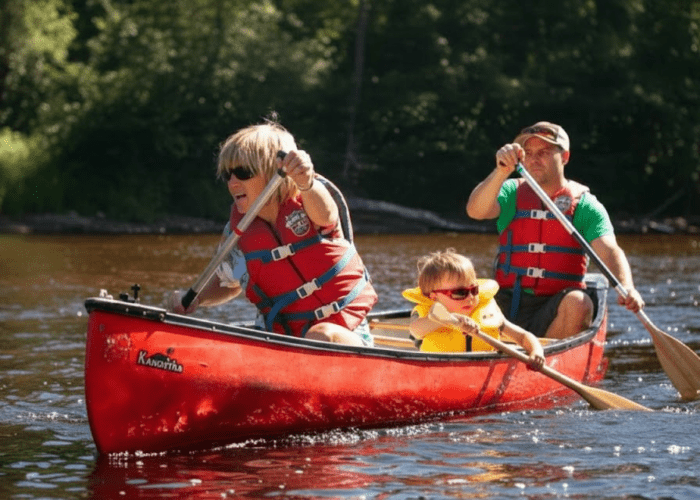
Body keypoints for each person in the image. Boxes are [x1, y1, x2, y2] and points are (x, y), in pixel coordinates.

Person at [168, 120, 378, 346]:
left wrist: (306, 181)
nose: (233, 182)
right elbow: (226, 282)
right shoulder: (239, 233)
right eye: (228, 174)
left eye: (243, 172)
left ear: (274, 172)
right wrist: (196, 298)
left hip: (343, 333)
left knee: (321, 335)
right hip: (279, 339)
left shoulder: (311, 201)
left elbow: (326, 216)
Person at [466, 121, 644, 339]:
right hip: (508, 301)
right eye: (528, 152)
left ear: (565, 157)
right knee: (458, 289)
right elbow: (475, 210)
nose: (534, 159)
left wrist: (628, 287)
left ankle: (546, 358)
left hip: (557, 308)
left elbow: (609, 251)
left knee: (579, 303)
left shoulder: (585, 206)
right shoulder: (511, 191)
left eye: (544, 152)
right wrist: (501, 172)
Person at [402, 248, 545, 368]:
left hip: (485, 370)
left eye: (474, 290)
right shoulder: (427, 315)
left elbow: (522, 336)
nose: (470, 297)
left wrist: (536, 351)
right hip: (440, 373)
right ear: (434, 297)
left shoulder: (486, 309)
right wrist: (451, 320)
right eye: (460, 293)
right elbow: (415, 331)